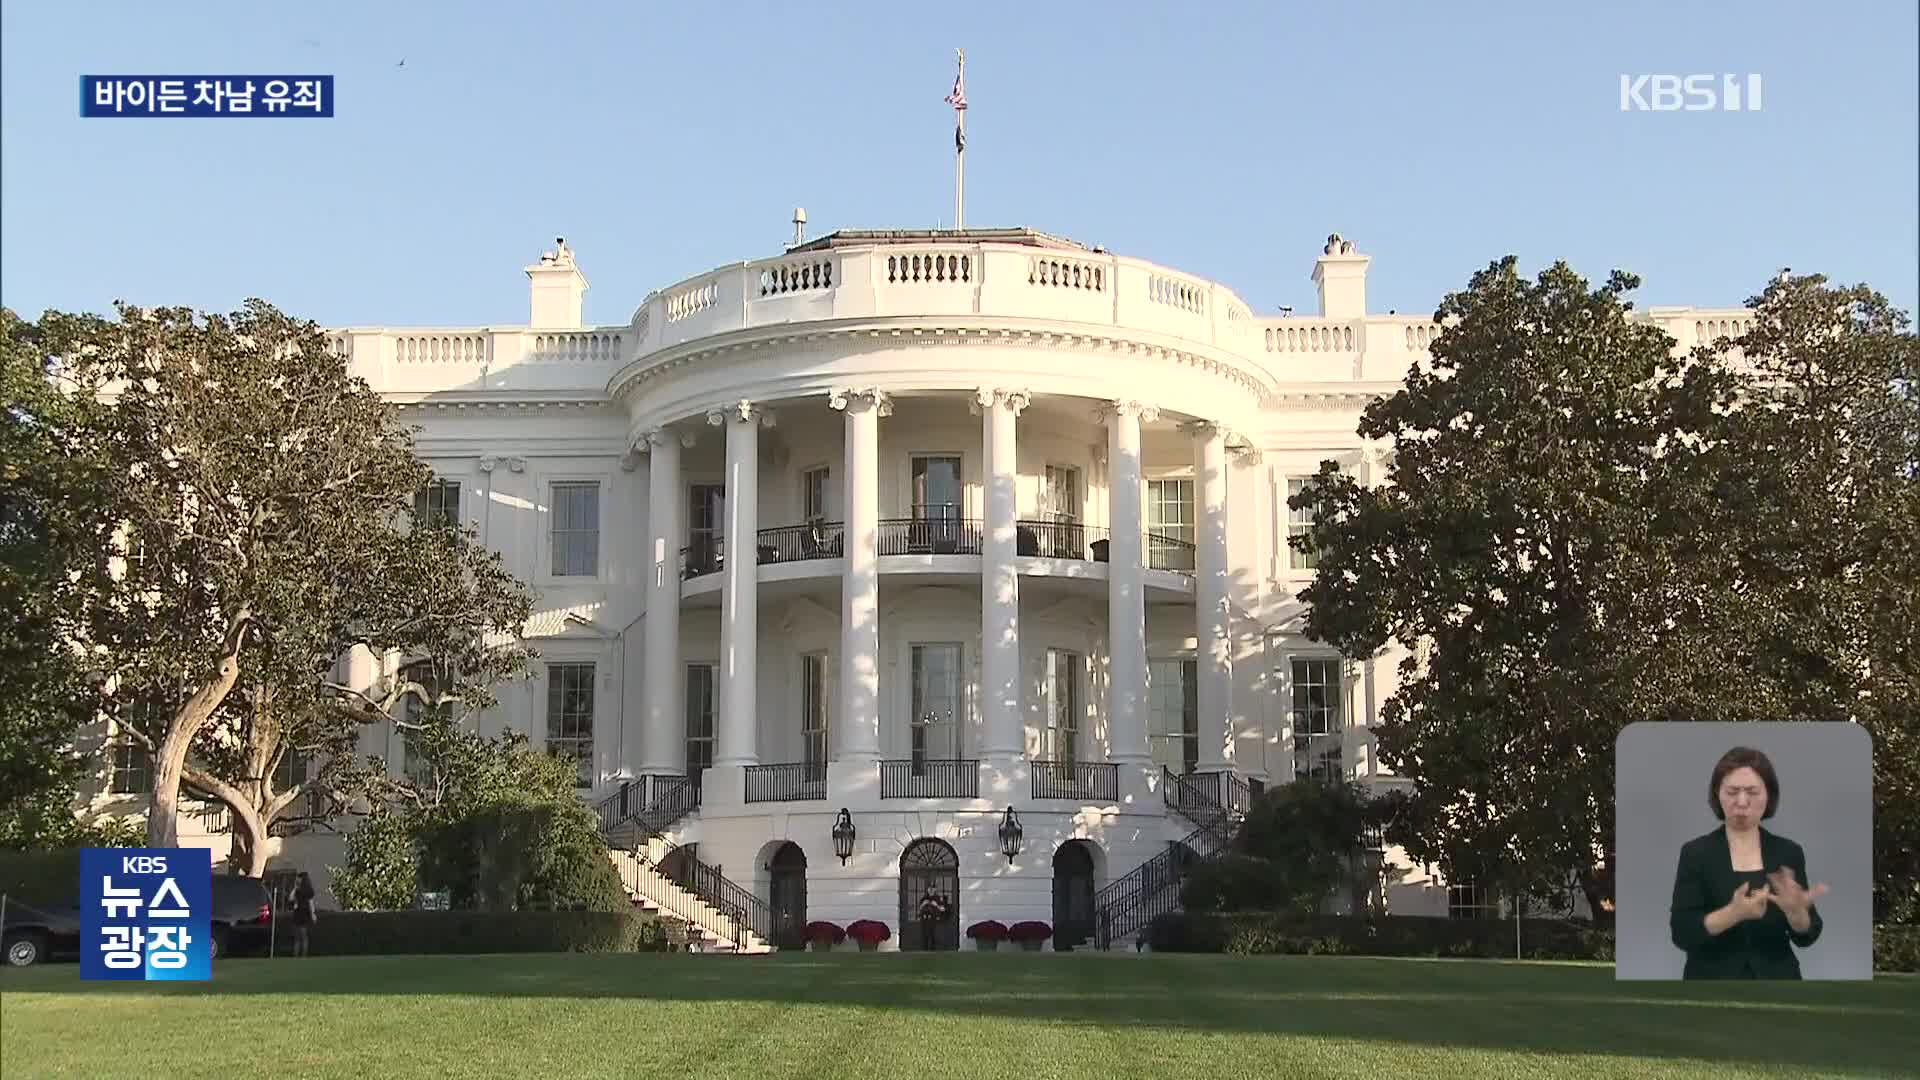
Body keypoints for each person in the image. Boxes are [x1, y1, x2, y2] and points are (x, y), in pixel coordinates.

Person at [1669, 746, 1828, 978]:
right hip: (1709, 985)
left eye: (1752, 792)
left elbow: (1807, 935)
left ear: (1769, 796)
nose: (1742, 802)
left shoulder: (1788, 853)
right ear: (1717, 794)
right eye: (1732, 792)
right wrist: (1734, 913)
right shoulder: (1695, 853)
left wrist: (1797, 914)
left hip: (1779, 984)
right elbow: (1682, 933)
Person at [290, 872, 317, 958]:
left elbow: (310, 903)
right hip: (297, 914)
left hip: (304, 914)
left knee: (303, 936)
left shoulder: (308, 891)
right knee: (297, 937)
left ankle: (303, 956)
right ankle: (296, 956)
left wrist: (312, 914)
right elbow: (291, 898)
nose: (297, 879)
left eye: (299, 878)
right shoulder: (297, 890)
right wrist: (295, 888)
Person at [916, 885, 949, 951]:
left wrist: (936, 905)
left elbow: (943, 909)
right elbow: (918, 909)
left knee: (933, 936)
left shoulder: (938, 898)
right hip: (924, 920)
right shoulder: (924, 898)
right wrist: (923, 904)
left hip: (935, 920)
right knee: (924, 936)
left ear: (935, 890)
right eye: (929, 888)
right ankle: (924, 951)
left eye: (932, 889)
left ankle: (933, 951)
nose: (931, 890)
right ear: (927, 889)